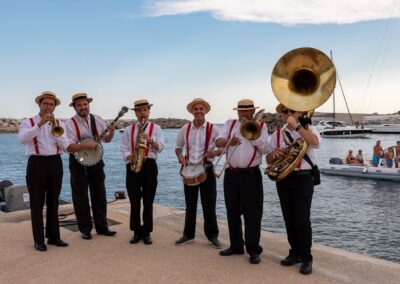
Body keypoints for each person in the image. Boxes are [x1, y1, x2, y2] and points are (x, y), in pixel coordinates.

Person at [266, 103, 322, 275]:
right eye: (285, 111)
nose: (288, 113)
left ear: (298, 113)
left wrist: (297, 127)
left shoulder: (307, 128)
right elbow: (268, 160)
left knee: (302, 220)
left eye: (292, 111)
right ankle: (295, 252)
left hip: (303, 177)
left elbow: (315, 142)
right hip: (284, 178)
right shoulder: (277, 134)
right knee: (288, 218)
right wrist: (273, 155)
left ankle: (306, 257)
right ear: (282, 115)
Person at [215, 99, 269, 264]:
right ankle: (236, 245)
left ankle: (253, 249)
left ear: (253, 112)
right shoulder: (229, 124)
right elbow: (218, 142)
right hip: (231, 174)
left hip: (251, 175)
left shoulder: (261, 126)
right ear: (237, 112)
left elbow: (266, 149)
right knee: (232, 212)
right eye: (241, 111)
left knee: (253, 214)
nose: (244, 114)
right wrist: (230, 141)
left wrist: (252, 135)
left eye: (247, 111)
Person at [18, 91, 69, 251]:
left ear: (55, 106)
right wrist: (39, 126)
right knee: (37, 203)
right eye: (45, 103)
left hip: (55, 162)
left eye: (51, 104)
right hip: (36, 164)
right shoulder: (29, 122)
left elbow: (65, 145)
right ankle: (39, 240)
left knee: (54, 201)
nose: (48, 107)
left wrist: (56, 131)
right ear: (39, 104)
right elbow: (22, 139)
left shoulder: (59, 122)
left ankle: (54, 237)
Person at [65, 93, 117, 240]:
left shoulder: (98, 119)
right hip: (77, 163)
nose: (83, 107)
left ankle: (102, 227)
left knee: (100, 195)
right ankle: (85, 229)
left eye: (85, 104)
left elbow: (106, 140)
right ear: (75, 107)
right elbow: (68, 147)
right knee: (80, 196)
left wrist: (111, 132)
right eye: (79, 105)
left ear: (88, 105)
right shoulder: (69, 124)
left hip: (96, 162)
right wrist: (85, 146)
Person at [175, 98, 222, 249]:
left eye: (201, 109)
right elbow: (178, 147)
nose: (199, 111)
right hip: (189, 170)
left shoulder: (214, 129)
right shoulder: (185, 129)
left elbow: (222, 149)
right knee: (190, 205)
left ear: (205, 111)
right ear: (192, 111)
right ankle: (188, 234)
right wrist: (180, 157)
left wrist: (214, 152)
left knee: (209, 205)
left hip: (206, 169)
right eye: (196, 109)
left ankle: (212, 236)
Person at [120, 99, 164, 245]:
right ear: (136, 113)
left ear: (149, 111)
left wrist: (151, 140)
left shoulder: (156, 128)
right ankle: (136, 231)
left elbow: (161, 147)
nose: (142, 113)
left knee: (148, 200)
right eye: (139, 111)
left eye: (145, 110)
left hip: (149, 165)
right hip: (133, 165)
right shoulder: (128, 130)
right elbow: (124, 147)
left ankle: (147, 232)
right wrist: (128, 156)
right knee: (134, 200)